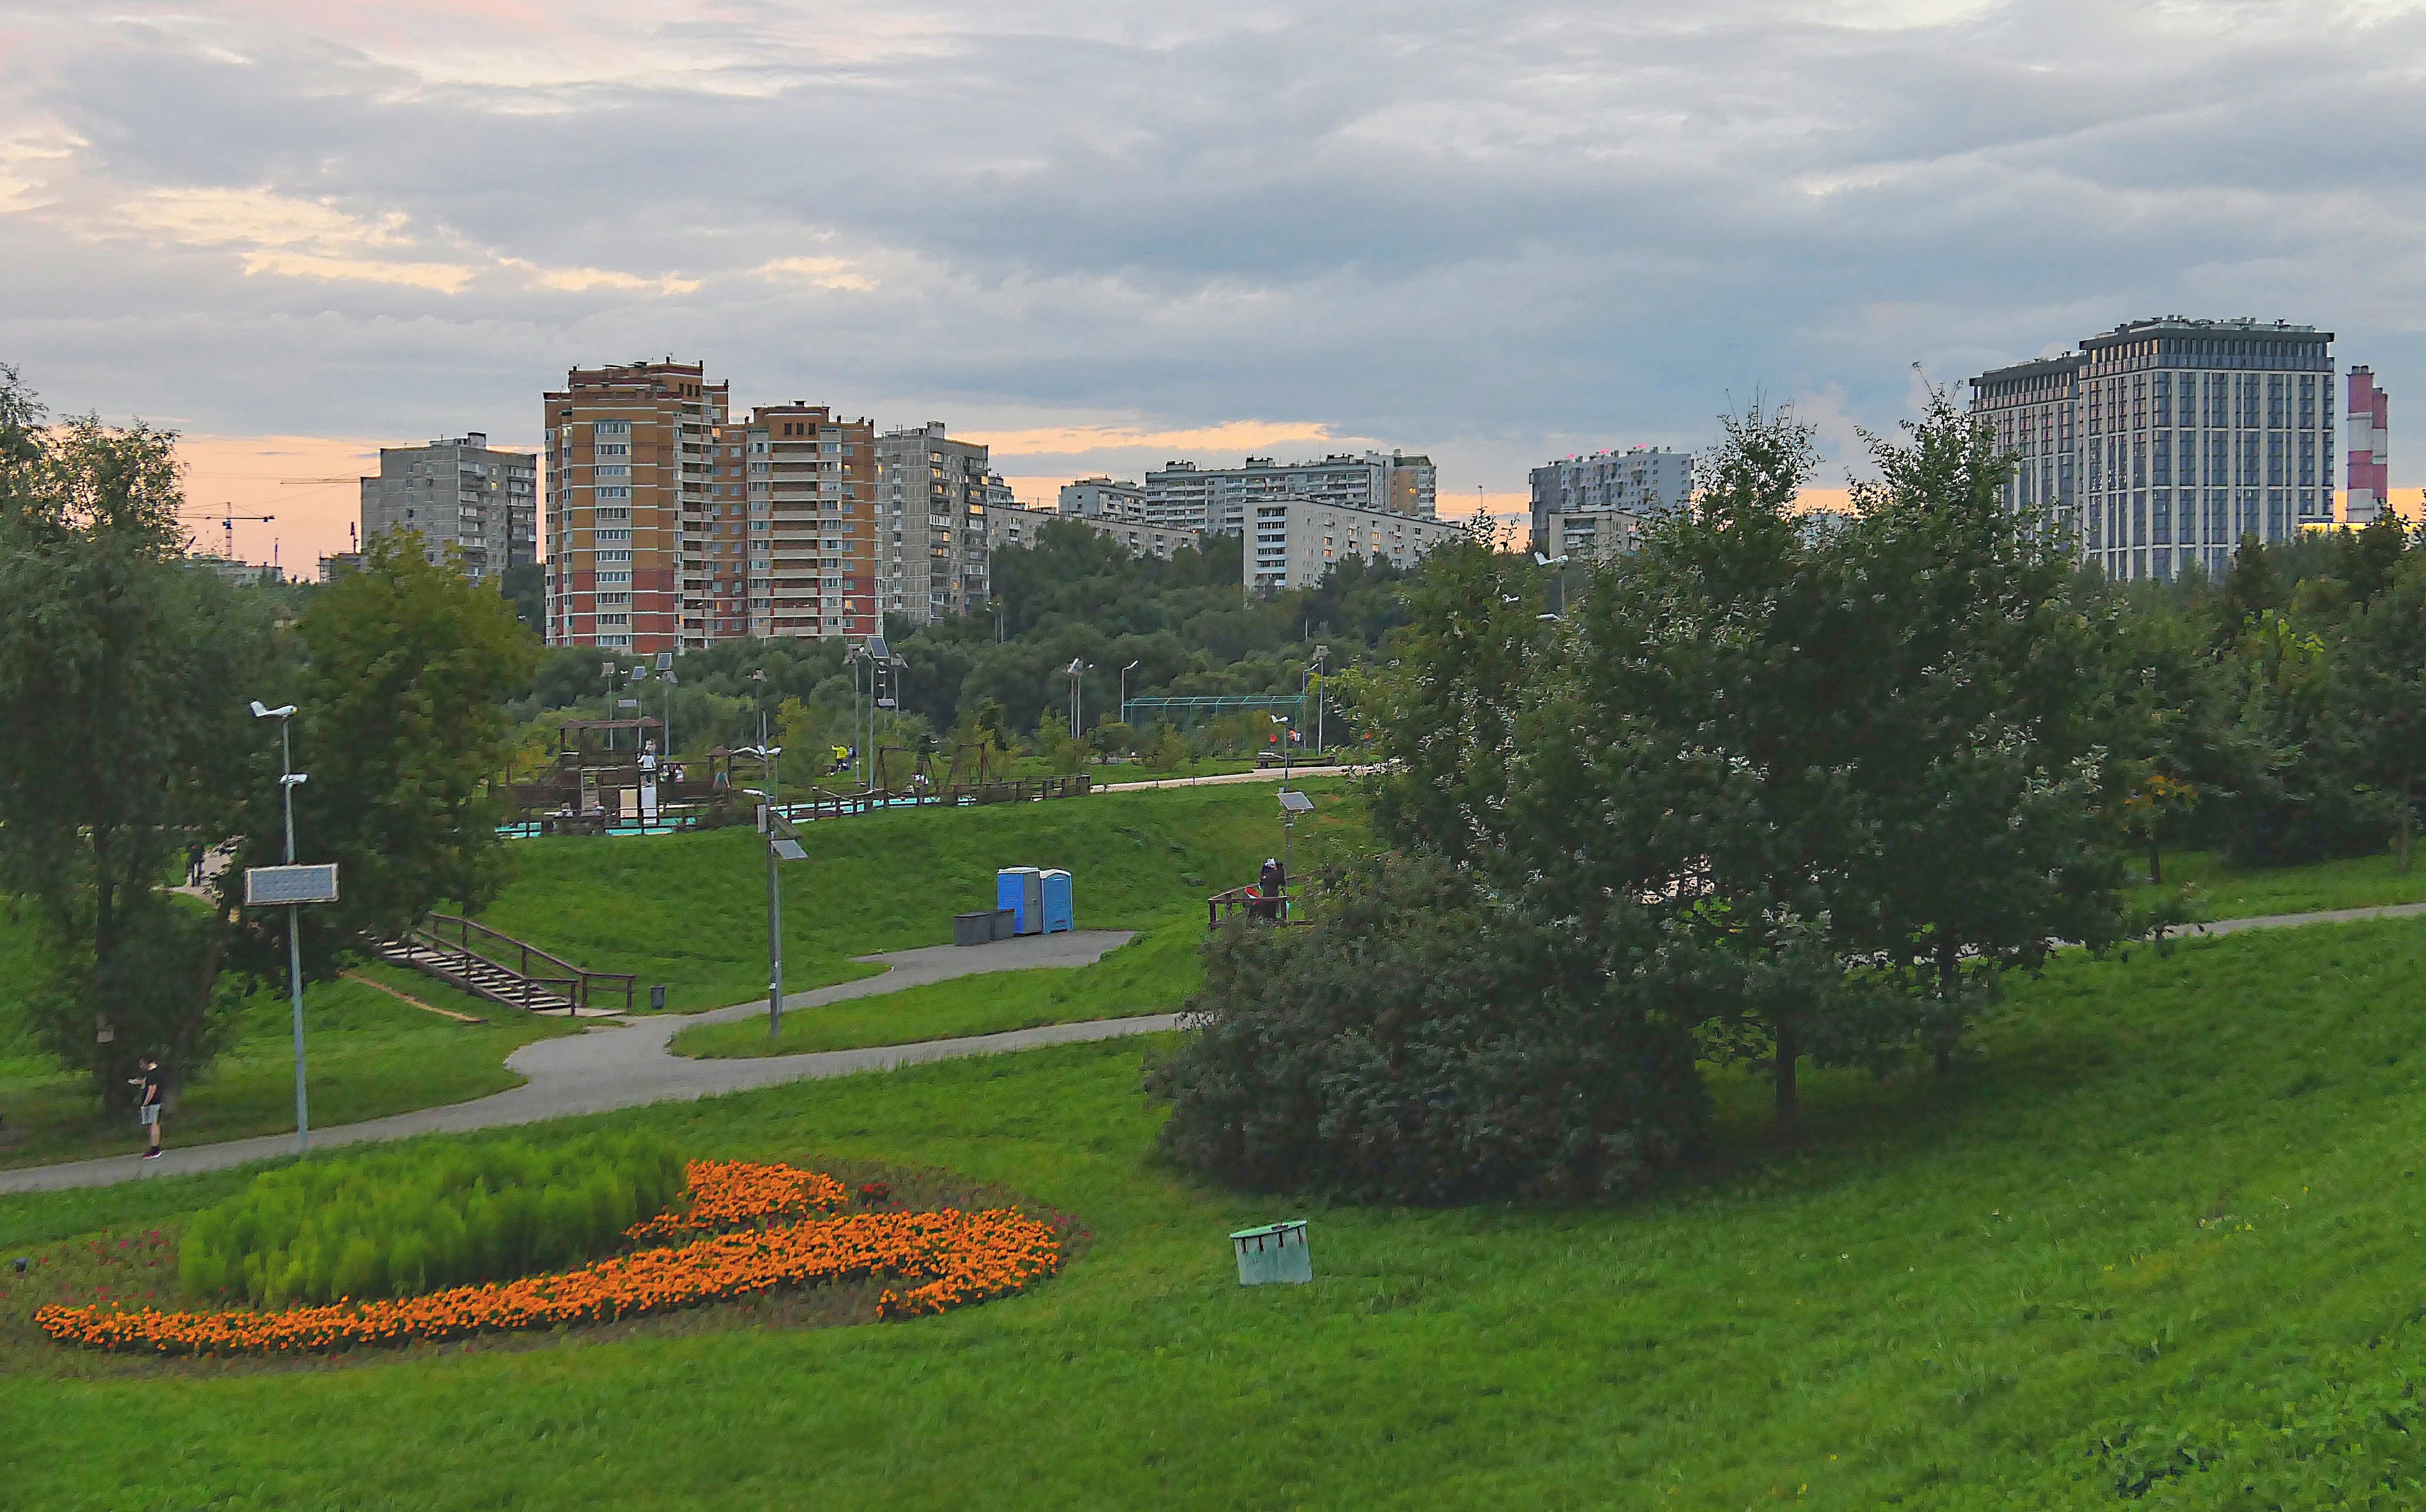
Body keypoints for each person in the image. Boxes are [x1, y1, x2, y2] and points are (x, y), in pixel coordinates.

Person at [130, 1054, 165, 1158]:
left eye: (141, 1064)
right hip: (157, 1102)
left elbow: (152, 1089)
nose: (141, 1066)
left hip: (153, 1103)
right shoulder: (158, 1072)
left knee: (153, 1126)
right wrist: (140, 1082)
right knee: (154, 1125)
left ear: (146, 1063)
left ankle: (155, 1149)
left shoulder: (152, 1074)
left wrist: (145, 1103)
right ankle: (155, 1148)